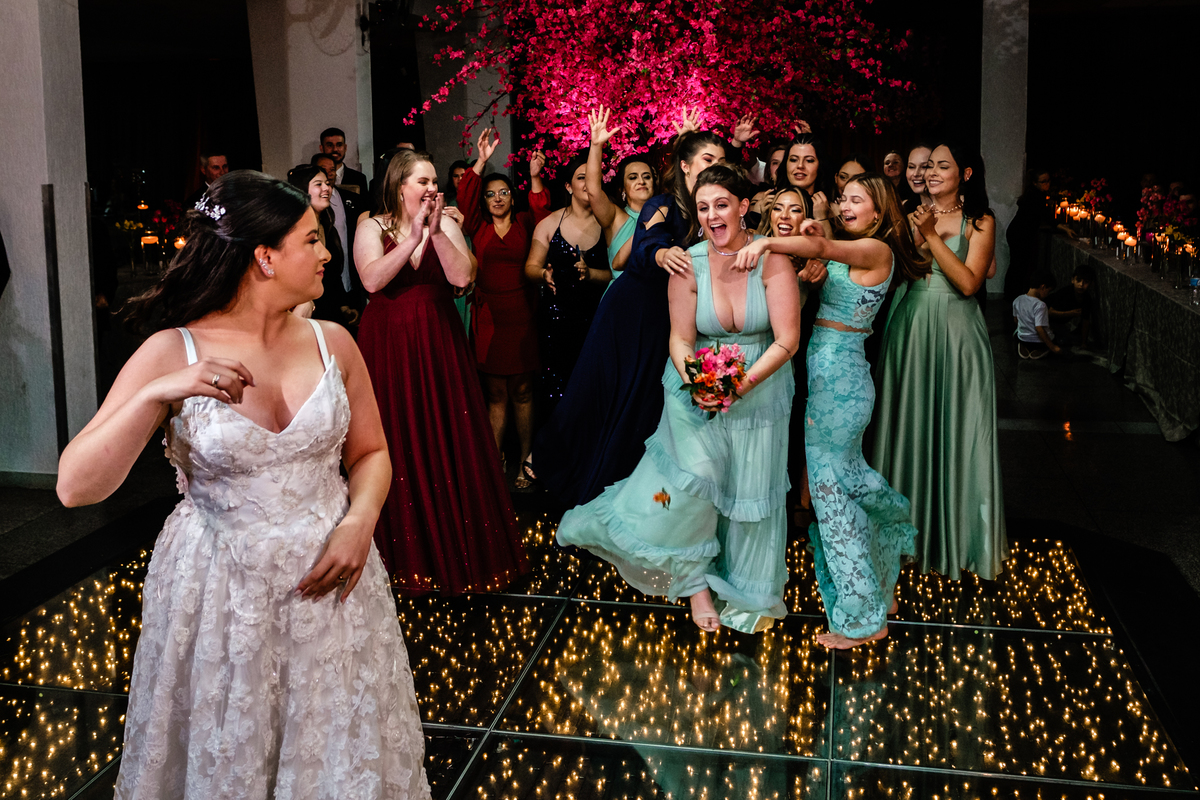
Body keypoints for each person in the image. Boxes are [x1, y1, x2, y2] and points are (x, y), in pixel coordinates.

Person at [57, 170, 430, 796]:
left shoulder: (333, 342)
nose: (327, 253)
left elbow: (371, 452)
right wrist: (157, 392)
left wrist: (359, 521)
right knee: (232, 756)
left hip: (332, 586)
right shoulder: (172, 351)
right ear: (265, 257)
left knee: (335, 755)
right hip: (221, 595)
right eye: (311, 240)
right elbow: (75, 487)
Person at [556, 164, 801, 634]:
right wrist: (700, 382)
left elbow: (787, 340)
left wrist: (738, 386)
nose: (712, 216)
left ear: (743, 207)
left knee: (749, 491)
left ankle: (746, 590)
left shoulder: (772, 261)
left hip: (761, 388)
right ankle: (693, 581)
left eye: (722, 205)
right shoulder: (688, 262)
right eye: (703, 207)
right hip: (695, 387)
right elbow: (681, 339)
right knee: (694, 480)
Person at [737, 173, 926, 648]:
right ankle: (880, 584)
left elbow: (822, 249)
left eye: (856, 200)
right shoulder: (854, 248)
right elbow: (822, 248)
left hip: (840, 384)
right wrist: (814, 239)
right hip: (832, 381)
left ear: (879, 210)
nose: (845, 206)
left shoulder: (876, 250)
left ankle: (865, 620)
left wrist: (765, 242)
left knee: (831, 497)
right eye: (843, 198)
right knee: (846, 485)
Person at [353, 149, 527, 594]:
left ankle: (456, 551)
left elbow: (463, 278)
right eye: (423, 181)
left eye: (434, 181)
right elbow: (371, 280)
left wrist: (434, 233)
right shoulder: (371, 226)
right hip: (388, 342)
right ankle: (403, 556)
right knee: (395, 434)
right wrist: (411, 237)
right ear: (399, 186)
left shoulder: (446, 223)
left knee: (447, 431)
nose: (433, 188)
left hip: (437, 339)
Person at [523, 129, 727, 506]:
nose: (717, 167)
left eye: (721, 160)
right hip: (631, 308)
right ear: (685, 166)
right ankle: (552, 457)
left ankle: (623, 480)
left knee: (640, 401)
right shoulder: (661, 204)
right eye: (708, 160)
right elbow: (642, 248)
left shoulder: (709, 211)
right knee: (597, 389)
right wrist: (661, 254)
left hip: (667, 316)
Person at [872, 143, 1009, 582]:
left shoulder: (981, 221)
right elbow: (894, 271)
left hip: (957, 332)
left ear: (964, 173)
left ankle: (955, 538)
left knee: (958, 430)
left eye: (941, 165)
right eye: (928, 165)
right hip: (912, 325)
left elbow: (970, 283)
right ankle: (902, 540)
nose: (930, 172)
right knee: (909, 426)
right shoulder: (911, 214)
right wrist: (913, 232)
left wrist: (931, 234)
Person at [458, 127, 551, 487]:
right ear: (483, 202)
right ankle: (495, 458)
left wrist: (534, 176)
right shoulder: (477, 226)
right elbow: (464, 197)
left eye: (504, 192)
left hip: (523, 314)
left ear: (513, 197)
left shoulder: (526, 223)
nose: (497, 198)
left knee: (523, 392)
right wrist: (481, 161)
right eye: (490, 194)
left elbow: (543, 211)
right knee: (495, 394)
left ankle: (527, 456)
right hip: (488, 318)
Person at [524, 153, 612, 418]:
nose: (588, 183)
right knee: (558, 390)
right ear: (568, 186)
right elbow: (530, 267)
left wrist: (592, 274)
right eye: (581, 177)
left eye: (593, 177)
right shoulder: (549, 223)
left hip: (598, 320)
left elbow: (618, 274)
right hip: (557, 323)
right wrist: (543, 274)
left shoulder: (609, 222)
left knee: (595, 391)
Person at [583, 106, 657, 288]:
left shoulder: (664, 215)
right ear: (623, 189)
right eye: (633, 177)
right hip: (622, 296)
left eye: (647, 177)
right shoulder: (615, 217)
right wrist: (596, 146)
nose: (641, 181)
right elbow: (593, 190)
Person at [312, 153, 367, 323]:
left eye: (332, 170)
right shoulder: (293, 225)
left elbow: (333, 268)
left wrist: (343, 304)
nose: (326, 188)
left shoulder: (328, 223)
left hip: (335, 294)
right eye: (319, 184)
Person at [1013, 271, 1061, 359]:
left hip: (1023, 339)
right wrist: (1053, 347)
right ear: (1043, 287)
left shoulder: (1017, 300)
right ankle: (1044, 350)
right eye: (1048, 291)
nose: (1047, 295)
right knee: (1057, 336)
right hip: (1039, 343)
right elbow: (1039, 328)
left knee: (1016, 333)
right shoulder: (1040, 305)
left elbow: (1016, 320)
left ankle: (1023, 347)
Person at [1046, 264, 1094, 348]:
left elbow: (1085, 321)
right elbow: (1050, 312)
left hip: (1058, 323)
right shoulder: (1065, 293)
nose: (1081, 284)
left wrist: (1084, 343)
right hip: (1045, 320)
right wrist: (1070, 313)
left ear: (1090, 284)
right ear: (1072, 280)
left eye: (1086, 282)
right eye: (1078, 280)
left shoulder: (1087, 298)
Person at [321, 126, 369, 197]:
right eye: (330, 145)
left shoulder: (359, 178)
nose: (335, 149)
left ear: (345, 147)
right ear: (321, 148)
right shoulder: (312, 177)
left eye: (339, 145)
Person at [901, 144, 933, 213]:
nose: (916, 174)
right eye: (911, 167)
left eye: (924, 167)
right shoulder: (904, 209)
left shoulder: (956, 209)